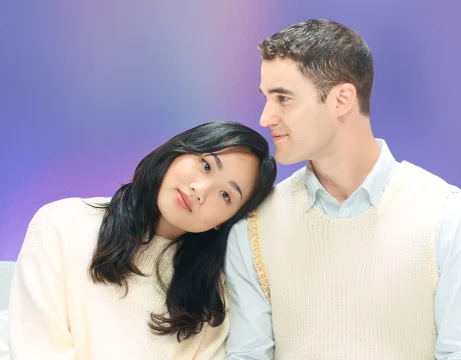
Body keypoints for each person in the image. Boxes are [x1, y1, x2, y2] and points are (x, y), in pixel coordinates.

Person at [225, 19, 461, 359]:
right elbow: (248, 354)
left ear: (342, 99)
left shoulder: (448, 218)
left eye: (283, 98)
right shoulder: (253, 227)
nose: (265, 118)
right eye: (266, 98)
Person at [8, 121, 277, 359]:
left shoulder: (212, 299)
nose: (201, 190)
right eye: (206, 165)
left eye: (226, 195)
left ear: (226, 221)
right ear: (178, 151)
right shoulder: (62, 224)